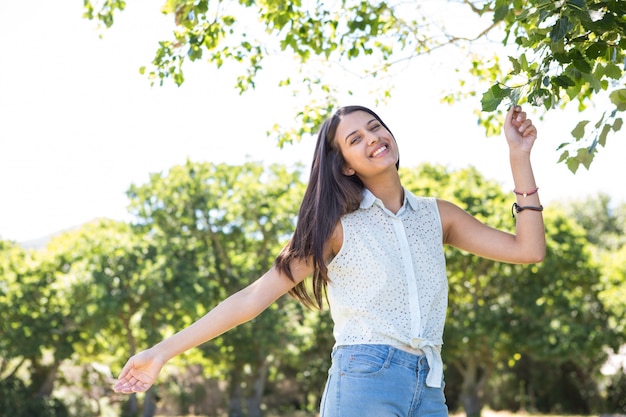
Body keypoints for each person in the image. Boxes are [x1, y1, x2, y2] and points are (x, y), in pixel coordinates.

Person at [113, 105, 545, 416]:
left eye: (375, 128)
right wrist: (162, 351)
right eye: (355, 139)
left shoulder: (439, 216)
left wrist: (518, 158)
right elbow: (252, 298)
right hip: (364, 380)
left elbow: (528, 250)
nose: (373, 138)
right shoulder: (336, 228)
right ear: (346, 166)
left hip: (429, 384)